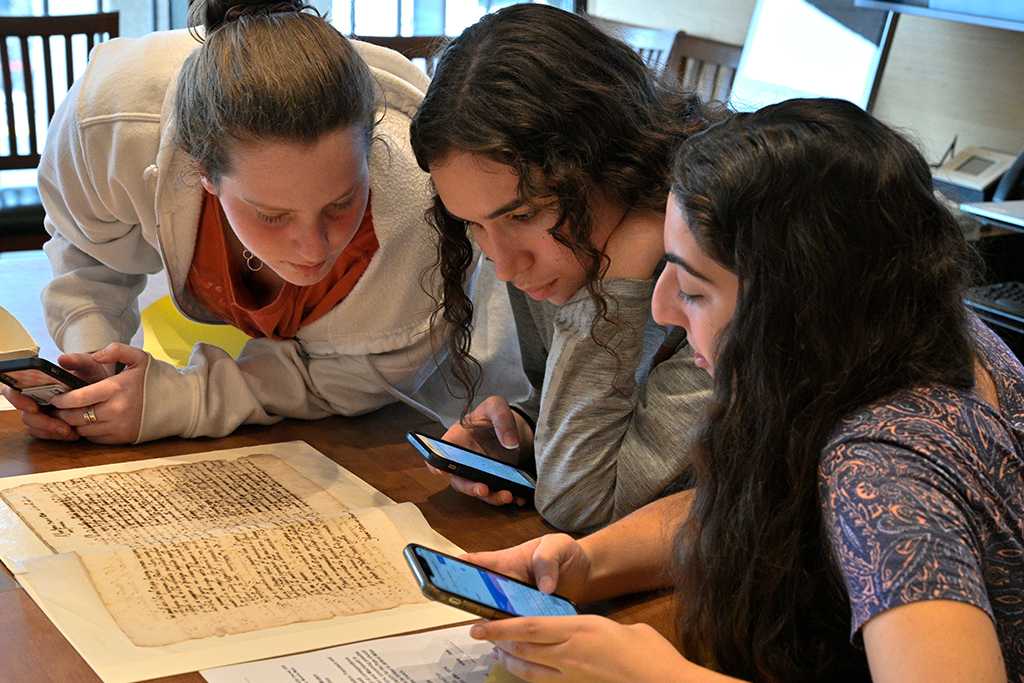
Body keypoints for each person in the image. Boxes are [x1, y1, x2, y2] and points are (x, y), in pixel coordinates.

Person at [459, 98, 1024, 682]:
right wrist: (587, 564)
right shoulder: (909, 330)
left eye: (696, 291)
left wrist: (656, 676)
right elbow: (773, 499)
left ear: (792, 312)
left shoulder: (883, 468)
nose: (662, 307)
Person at [2, 0, 526, 444]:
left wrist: (182, 401)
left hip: (394, 420)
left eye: (343, 202)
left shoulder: (426, 213)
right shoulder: (107, 128)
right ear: (202, 170)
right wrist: (99, 370)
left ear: (373, 149)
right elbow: (90, 255)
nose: (313, 247)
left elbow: (345, 382)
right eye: (271, 214)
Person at [408, 3, 718, 532]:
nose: (505, 267)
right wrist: (528, 435)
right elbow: (594, 414)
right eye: (474, 225)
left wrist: (615, 288)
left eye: (524, 214)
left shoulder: (719, 273)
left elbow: (581, 501)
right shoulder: (557, 252)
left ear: (616, 160)